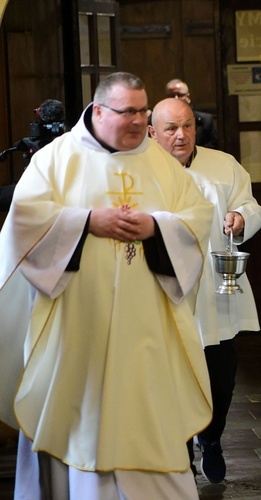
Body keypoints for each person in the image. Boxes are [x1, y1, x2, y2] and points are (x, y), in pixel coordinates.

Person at [0, 72, 214, 499]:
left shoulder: (160, 163)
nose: (138, 121)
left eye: (143, 111)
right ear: (98, 111)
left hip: (146, 326)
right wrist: (85, 222)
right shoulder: (56, 158)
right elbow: (23, 222)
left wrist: (157, 225)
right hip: (78, 321)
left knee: (147, 416)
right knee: (77, 417)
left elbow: (197, 217)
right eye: (127, 112)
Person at [149, 97, 261, 483]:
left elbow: (250, 204)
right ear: (153, 132)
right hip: (164, 293)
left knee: (221, 374)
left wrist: (240, 217)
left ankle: (211, 438)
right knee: (169, 376)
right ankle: (179, 452)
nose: (181, 135)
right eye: (171, 128)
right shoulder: (139, 170)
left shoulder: (223, 164)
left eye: (187, 126)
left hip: (215, 292)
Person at [166, 78, 219, 149]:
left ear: (188, 97)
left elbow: (213, 144)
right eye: (171, 95)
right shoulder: (155, 120)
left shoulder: (205, 120)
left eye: (180, 95)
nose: (176, 98)